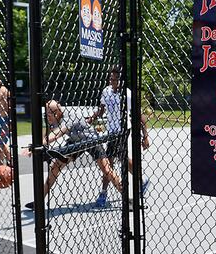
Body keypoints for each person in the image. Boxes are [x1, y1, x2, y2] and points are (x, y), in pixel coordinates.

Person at [24, 100, 123, 210]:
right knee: (55, 167)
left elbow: (57, 134)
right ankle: (39, 201)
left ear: (57, 112)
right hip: (75, 141)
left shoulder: (68, 117)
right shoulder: (54, 117)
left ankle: (125, 196)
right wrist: (36, 145)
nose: (47, 117)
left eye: (49, 115)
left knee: (107, 170)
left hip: (90, 140)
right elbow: (48, 131)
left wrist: (36, 146)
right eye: (45, 114)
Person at [88, 68, 150, 208]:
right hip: (111, 132)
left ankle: (103, 193)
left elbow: (139, 116)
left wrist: (145, 136)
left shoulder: (127, 95)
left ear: (121, 81)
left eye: (114, 79)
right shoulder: (106, 91)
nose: (112, 81)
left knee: (108, 162)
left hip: (122, 131)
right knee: (121, 160)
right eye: (110, 79)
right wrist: (92, 117)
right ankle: (143, 179)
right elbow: (102, 109)